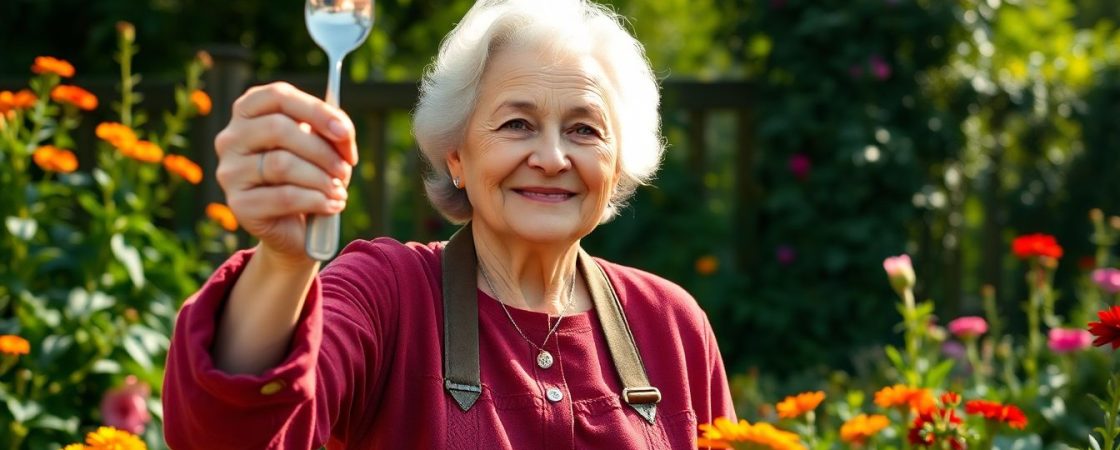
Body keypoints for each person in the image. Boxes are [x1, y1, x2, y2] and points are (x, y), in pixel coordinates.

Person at [162, 0, 735, 448]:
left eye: (585, 130)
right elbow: (234, 435)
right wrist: (286, 262)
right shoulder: (386, 292)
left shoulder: (672, 325)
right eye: (516, 124)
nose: (553, 157)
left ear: (617, 166)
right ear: (456, 155)